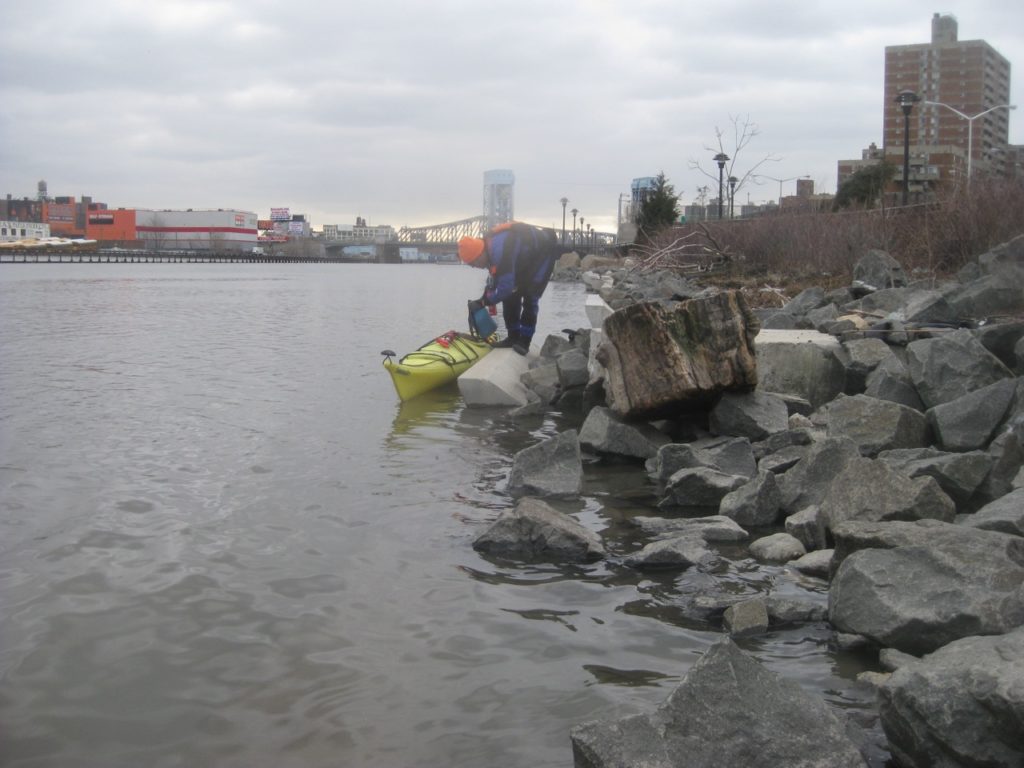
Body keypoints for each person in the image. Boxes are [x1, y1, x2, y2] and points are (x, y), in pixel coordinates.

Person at [459, 222, 560, 355]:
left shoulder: (501, 250)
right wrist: (483, 298)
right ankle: (513, 337)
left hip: (544, 252)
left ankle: (524, 341)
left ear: (478, 256)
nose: (476, 267)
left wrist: (484, 302)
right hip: (525, 260)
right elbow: (496, 280)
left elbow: (505, 288)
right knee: (512, 296)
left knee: (530, 296)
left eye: (474, 264)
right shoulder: (488, 248)